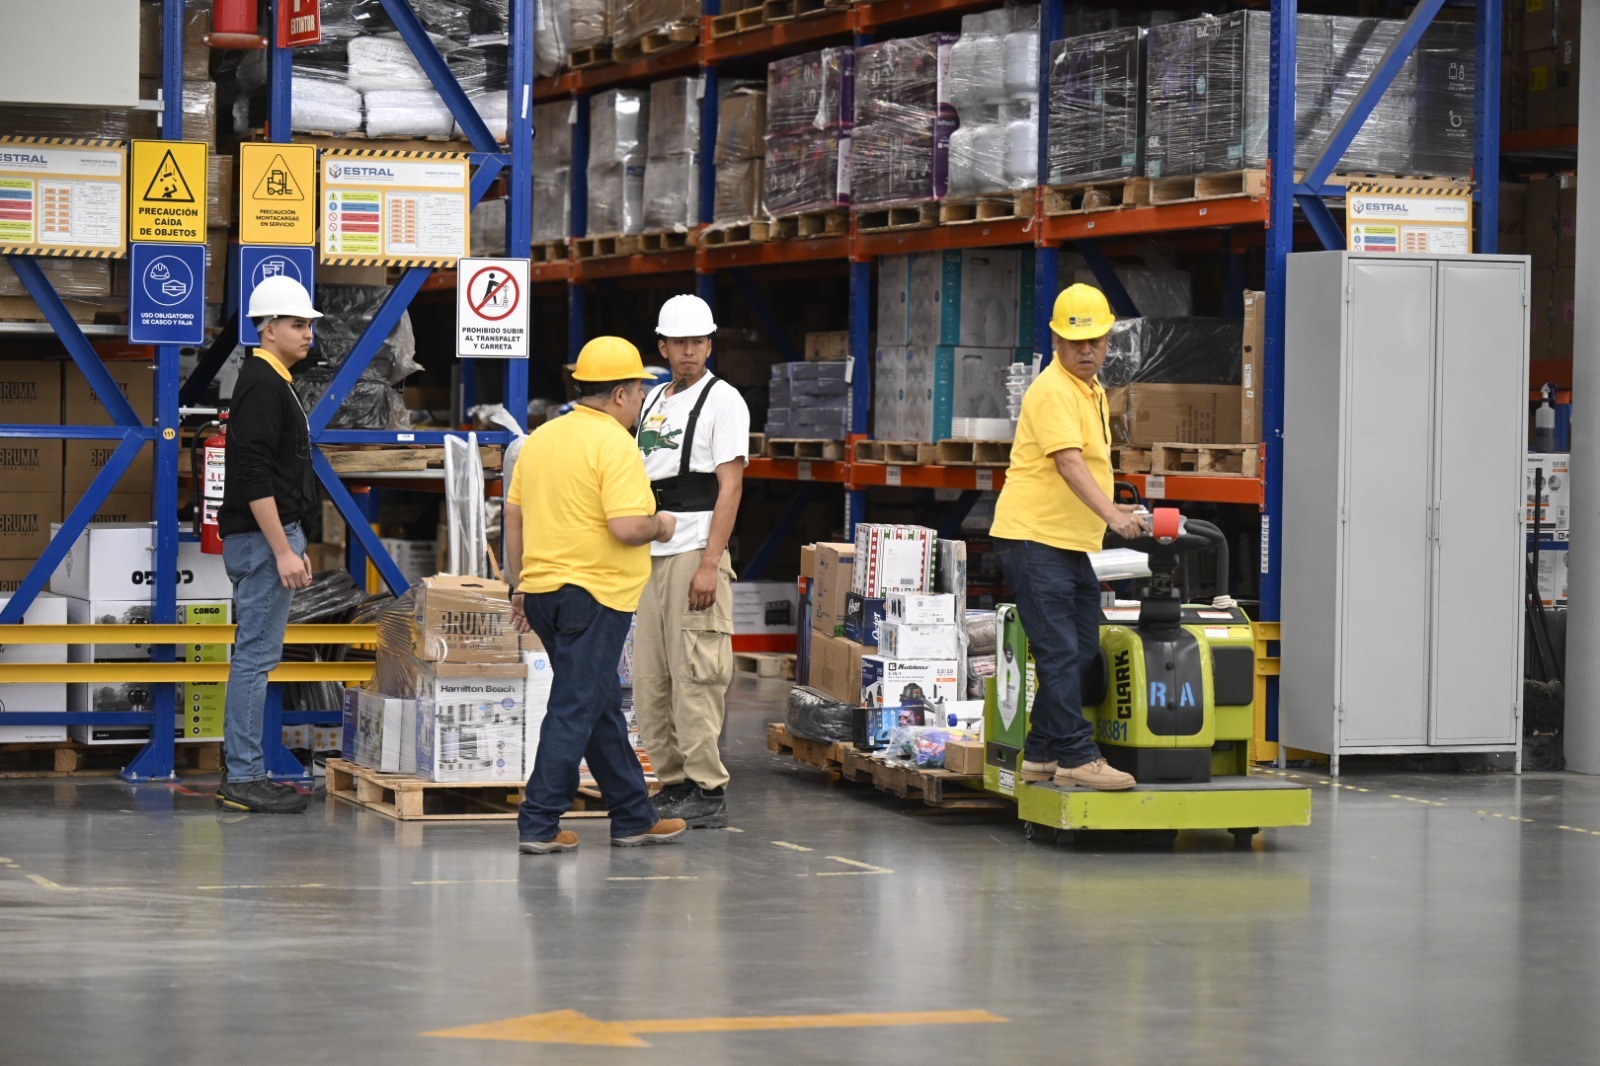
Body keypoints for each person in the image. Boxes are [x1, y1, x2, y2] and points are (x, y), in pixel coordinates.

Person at [505, 336, 688, 854]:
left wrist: (519, 583)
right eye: (637, 391)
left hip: (543, 593)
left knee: (599, 703)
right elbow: (627, 526)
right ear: (621, 394)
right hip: (594, 595)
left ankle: (632, 814)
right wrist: (663, 524)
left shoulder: (540, 438)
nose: (637, 402)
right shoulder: (614, 444)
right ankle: (539, 823)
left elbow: (514, 514)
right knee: (574, 708)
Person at [989, 284, 1147, 792]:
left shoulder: (1091, 389)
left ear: (1106, 341)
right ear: (1056, 340)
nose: (1087, 350)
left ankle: (1039, 752)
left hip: (1066, 543)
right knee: (1059, 651)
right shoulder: (1054, 389)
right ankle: (1077, 756)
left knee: (1079, 649)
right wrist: (1114, 519)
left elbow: (1089, 467)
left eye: (1095, 340)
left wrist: (1115, 508)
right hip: (1034, 541)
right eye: (1076, 341)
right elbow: (1068, 461)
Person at [631, 295, 750, 829]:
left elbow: (730, 487)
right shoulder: (654, 398)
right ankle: (672, 781)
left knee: (696, 672)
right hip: (649, 553)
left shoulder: (724, 401)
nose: (689, 352)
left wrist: (711, 562)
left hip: (693, 547)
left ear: (709, 343)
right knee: (651, 678)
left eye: (698, 342)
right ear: (662, 346)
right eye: (679, 343)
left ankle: (708, 789)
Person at [215, 276, 321, 814]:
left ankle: (240, 765)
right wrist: (283, 548)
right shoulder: (261, 382)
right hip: (263, 540)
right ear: (269, 327)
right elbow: (253, 474)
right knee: (256, 658)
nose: (308, 334)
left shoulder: (271, 379)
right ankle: (244, 775)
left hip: (267, 538)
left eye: (309, 325)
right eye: (299, 324)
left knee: (256, 655)